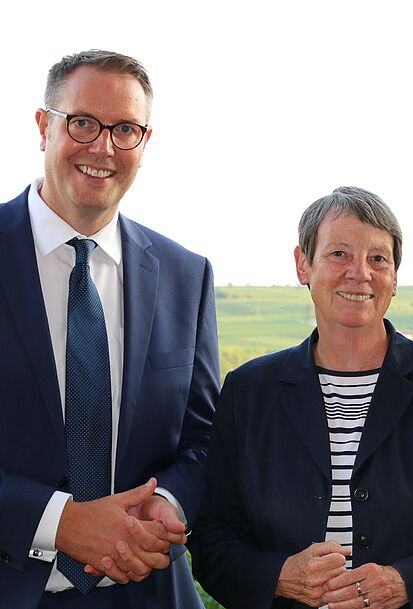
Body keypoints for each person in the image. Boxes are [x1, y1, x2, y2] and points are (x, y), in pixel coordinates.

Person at [189, 186, 413, 609]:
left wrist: (407, 582)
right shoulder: (248, 391)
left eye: (378, 259)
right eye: (339, 254)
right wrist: (279, 577)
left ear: (394, 277)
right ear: (303, 265)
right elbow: (211, 538)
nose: (360, 273)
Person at [0, 50, 220, 608]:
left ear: (145, 144)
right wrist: (59, 522)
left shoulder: (185, 275)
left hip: (149, 592)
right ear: (43, 125)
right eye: (83, 123)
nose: (103, 147)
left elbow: (205, 439)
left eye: (125, 129)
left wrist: (165, 506)